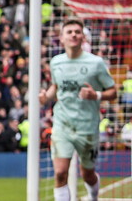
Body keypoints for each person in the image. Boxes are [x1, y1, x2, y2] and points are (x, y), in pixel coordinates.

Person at [39, 19, 117, 201]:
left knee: (87, 174)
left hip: (87, 127)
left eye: (77, 32)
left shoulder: (96, 63)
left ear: (83, 37)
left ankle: (93, 197)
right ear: (61, 38)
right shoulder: (56, 62)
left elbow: (113, 92)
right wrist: (46, 96)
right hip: (63, 125)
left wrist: (96, 95)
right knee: (60, 173)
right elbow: (56, 86)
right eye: (69, 32)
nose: (73, 35)